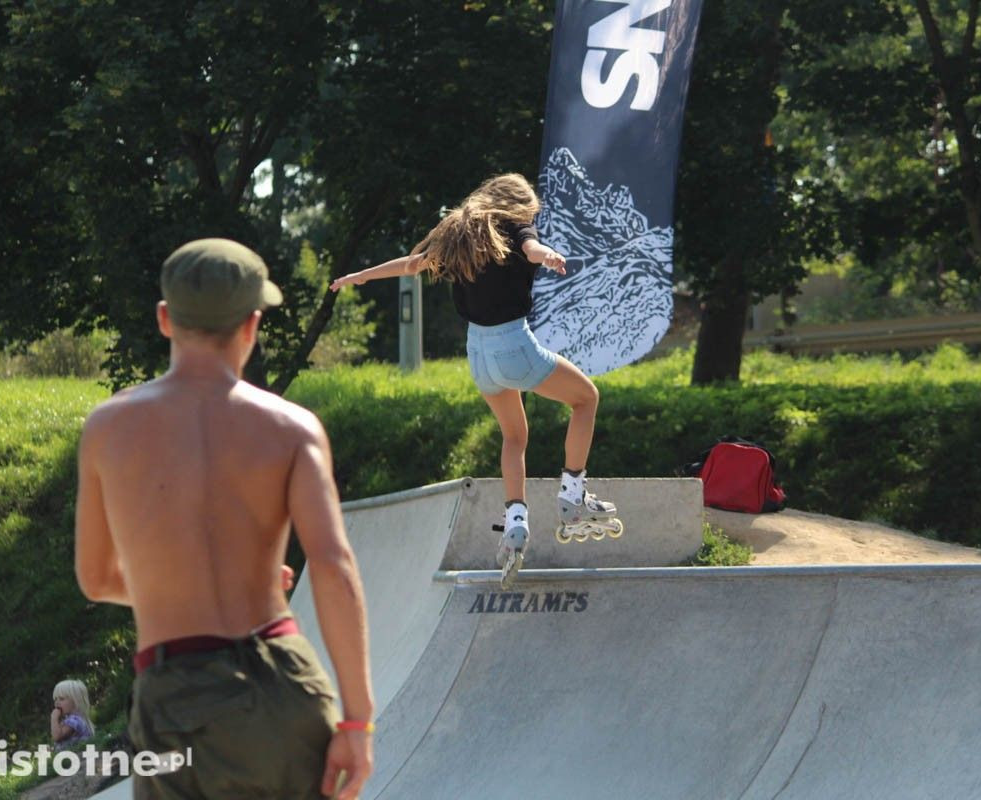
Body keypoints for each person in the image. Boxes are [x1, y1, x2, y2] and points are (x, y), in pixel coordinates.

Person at [75, 238, 374, 800]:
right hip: (286, 683)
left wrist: (174, 589)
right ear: (252, 324)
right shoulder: (293, 428)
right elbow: (333, 566)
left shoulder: (109, 428)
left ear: (165, 319)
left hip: (177, 699)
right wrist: (357, 723)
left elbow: (95, 579)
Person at [330, 173, 617, 584]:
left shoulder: (460, 232)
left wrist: (361, 276)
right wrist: (547, 254)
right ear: (519, 205)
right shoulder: (516, 225)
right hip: (513, 346)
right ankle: (572, 496)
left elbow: (412, 265)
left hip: (479, 356)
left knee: (514, 436)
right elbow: (531, 248)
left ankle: (516, 522)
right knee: (586, 398)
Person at [51, 679, 95, 751]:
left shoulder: (75, 720)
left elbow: (57, 737)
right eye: (55, 699)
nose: (57, 702)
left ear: (75, 701)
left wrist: (54, 718)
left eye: (61, 699)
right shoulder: (71, 720)